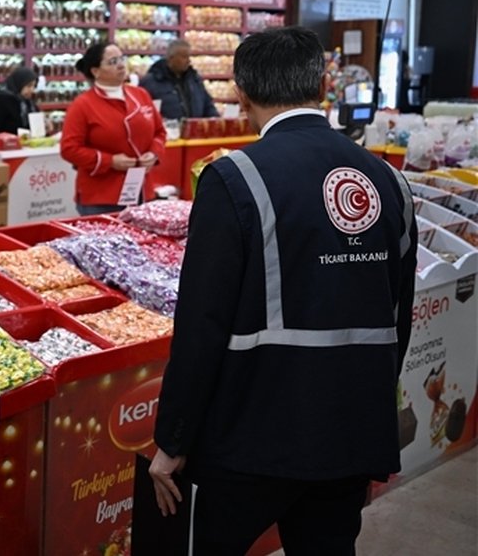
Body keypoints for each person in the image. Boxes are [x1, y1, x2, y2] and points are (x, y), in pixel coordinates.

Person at [148, 27, 417, 555]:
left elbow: (201, 324)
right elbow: (397, 317)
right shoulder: (387, 179)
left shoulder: (233, 177)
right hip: (352, 428)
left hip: (255, 431)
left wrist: (172, 440)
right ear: (321, 83)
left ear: (241, 93)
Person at [59, 42, 166, 215]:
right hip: (101, 196)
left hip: (142, 190)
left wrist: (154, 154)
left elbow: (160, 132)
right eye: (112, 61)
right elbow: (69, 149)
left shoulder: (141, 95)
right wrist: (110, 161)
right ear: (95, 71)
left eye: (122, 58)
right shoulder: (82, 105)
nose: (121, 65)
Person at [139, 39, 219, 120]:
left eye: (188, 57)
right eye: (184, 57)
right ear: (171, 58)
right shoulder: (150, 82)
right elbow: (142, 111)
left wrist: (214, 120)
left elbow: (207, 104)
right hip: (167, 131)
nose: (188, 61)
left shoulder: (195, 80)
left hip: (194, 130)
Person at [0, 66, 40, 135]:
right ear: (19, 83)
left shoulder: (29, 103)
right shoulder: (0, 100)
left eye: (34, 86)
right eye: (29, 86)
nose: (32, 90)